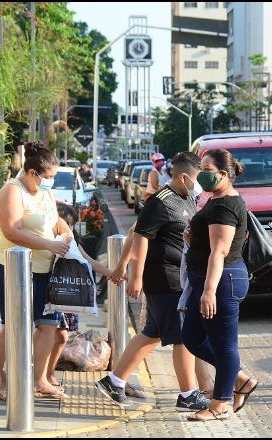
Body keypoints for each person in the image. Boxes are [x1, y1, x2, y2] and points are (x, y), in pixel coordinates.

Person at [96, 152, 209, 411]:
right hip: (164, 278)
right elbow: (140, 236)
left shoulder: (188, 199)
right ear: (184, 177)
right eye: (197, 178)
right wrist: (133, 274)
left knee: (151, 334)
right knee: (183, 338)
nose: (200, 184)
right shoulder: (160, 202)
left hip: (178, 276)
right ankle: (188, 394)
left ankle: (114, 381)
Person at [0, 142, 73, 400]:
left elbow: (54, 219)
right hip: (12, 268)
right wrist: (49, 243)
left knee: (49, 325)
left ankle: (38, 380)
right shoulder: (12, 191)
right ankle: (4, 382)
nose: (51, 182)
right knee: (13, 326)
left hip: (45, 269)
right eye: (48, 177)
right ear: (32, 173)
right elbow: (12, 231)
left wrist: (66, 233)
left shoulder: (44, 193)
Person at [182, 148, 258, 422]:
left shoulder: (226, 205)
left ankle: (220, 404)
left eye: (206, 169)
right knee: (191, 336)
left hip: (222, 279)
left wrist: (209, 290)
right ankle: (239, 379)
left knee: (224, 344)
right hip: (209, 277)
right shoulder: (215, 200)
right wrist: (192, 237)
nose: (200, 173)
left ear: (223, 174)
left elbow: (220, 251)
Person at [49, 203, 112, 390]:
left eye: (72, 224)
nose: (69, 228)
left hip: (68, 299)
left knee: (61, 338)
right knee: (54, 336)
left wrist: (112, 273)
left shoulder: (73, 242)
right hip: (54, 297)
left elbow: (89, 262)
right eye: (66, 223)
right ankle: (45, 374)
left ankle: (48, 372)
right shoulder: (48, 241)